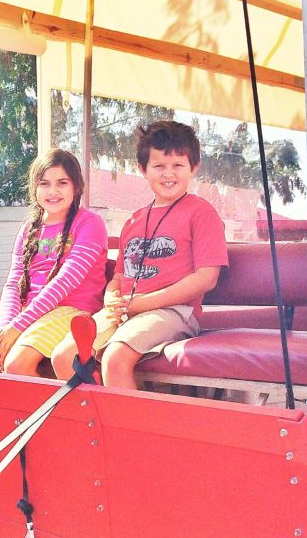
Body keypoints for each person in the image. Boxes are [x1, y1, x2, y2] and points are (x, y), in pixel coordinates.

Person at [51, 121, 227, 388]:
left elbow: (206, 278)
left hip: (173, 311)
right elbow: (120, 274)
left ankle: (122, 428)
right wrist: (112, 297)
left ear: (194, 168)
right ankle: (98, 422)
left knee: (115, 357)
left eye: (178, 165)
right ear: (143, 170)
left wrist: (141, 304)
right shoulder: (134, 220)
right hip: (126, 310)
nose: (169, 174)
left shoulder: (201, 212)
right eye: (159, 166)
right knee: (63, 357)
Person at [0, 149, 108, 376]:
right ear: (34, 188)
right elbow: (14, 281)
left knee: (16, 364)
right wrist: (4, 325)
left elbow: (65, 281)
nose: (52, 191)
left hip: (71, 311)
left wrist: (18, 326)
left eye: (62, 183)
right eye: (44, 183)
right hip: (29, 312)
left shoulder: (90, 224)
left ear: (76, 186)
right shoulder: (28, 229)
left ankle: (47, 413)